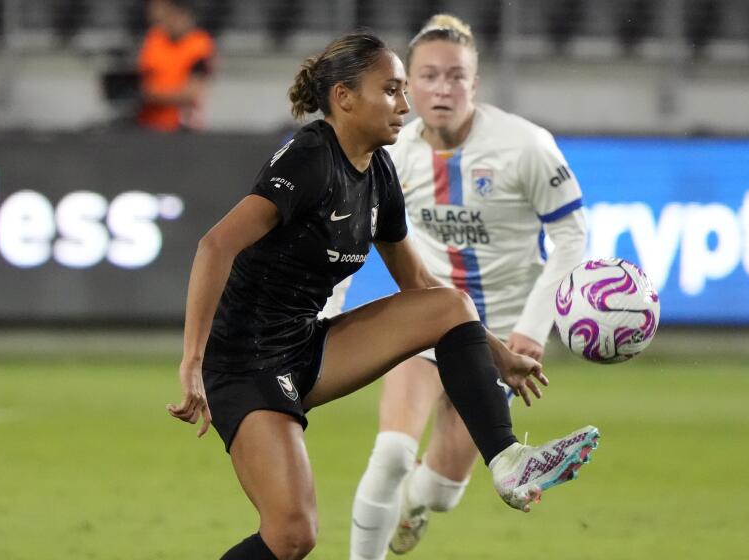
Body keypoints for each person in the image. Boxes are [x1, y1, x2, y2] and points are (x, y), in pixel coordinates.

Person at [166, 31, 597, 560]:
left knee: (450, 304)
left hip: (308, 343)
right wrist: (193, 361)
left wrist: (497, 353)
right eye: (390, 90)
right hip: (245, 363)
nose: (405, 103)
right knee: (292, 535)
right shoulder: (309, 159)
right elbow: (214, 246)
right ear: (345, 97)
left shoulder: (379, 173)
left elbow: (419, 286)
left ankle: (508, 461)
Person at [332, 15, 591, 560]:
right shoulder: (391, 154)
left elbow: (571, 236)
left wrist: (531, 330)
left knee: (441, 492)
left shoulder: (526, 147)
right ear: (407, 86)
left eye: (456, 76)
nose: (442, 88)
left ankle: (418, 507)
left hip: (498, 335)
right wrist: (324, 313)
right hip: (426, 320)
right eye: (427, 76)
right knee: (392, 455)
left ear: (475, 83)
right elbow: (348, 240)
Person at [136, 0, 214, 132]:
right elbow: (142, 76)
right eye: (172, 16)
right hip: (148, 123)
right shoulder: (154, 38)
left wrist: (151, 95)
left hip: (181, 126)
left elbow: (192, 93)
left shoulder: (200, 44)